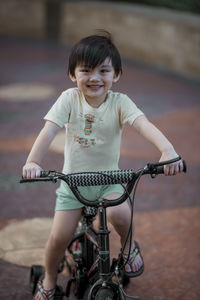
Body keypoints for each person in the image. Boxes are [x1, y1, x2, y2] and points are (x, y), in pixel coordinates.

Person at [22, 31, 183, 300]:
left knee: (121, 213)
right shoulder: (69, 99)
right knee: (58, 238)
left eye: (103, 71)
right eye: (86, 70)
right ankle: (49, 279)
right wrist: (33, 161)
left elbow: (143, 125)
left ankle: (129, 246)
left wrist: (167, 149)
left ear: (116, 75)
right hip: (73, 184)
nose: (95, 77)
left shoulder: (120, 103)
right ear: (73, 74)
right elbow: (49, 131)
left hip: (108, 179)